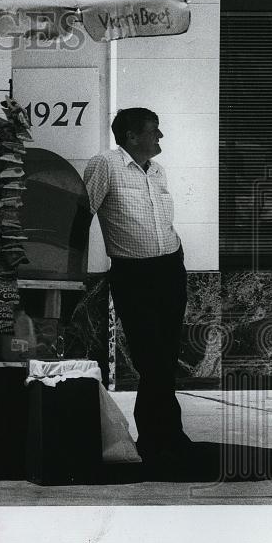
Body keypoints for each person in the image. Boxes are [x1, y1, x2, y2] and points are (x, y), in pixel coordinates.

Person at [84, 108, 193, 469]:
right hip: (134, 274)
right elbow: (82, 214)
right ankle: (162, 436)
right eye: (153, 131)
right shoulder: (106, 165)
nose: (159, 137)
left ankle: (163, 435)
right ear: (131, 136)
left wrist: (176, 255)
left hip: (169, 268)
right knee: (152, 357)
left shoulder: (158, 171)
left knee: (166, 355)